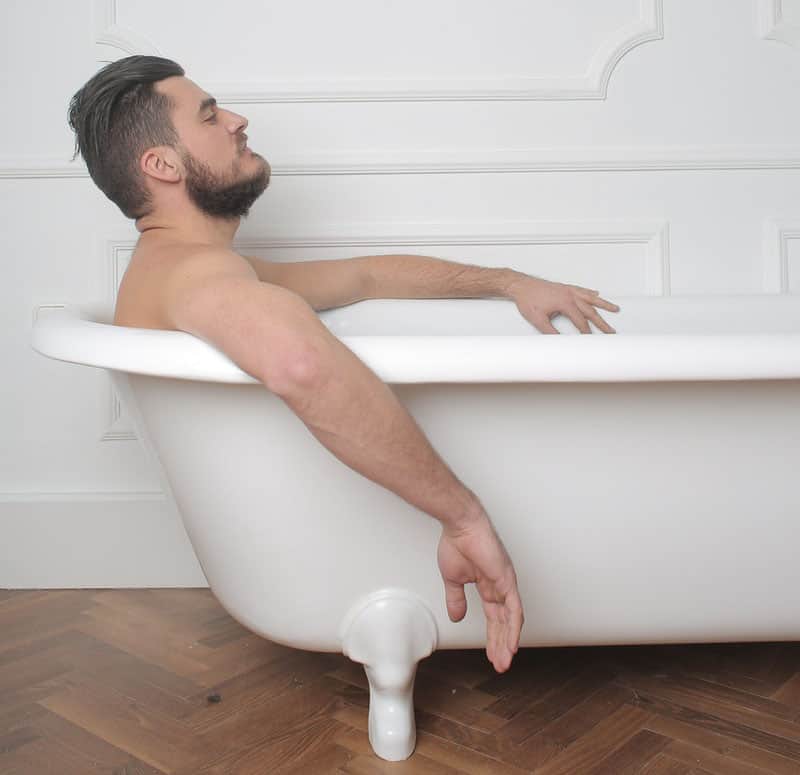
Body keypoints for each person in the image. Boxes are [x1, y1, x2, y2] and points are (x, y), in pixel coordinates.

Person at [68, 55, 620, 674]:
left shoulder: (188, 267)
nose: (237, 120)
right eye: (209, 115)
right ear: (162, 164)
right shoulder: (197, 276)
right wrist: (463, 519)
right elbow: (304, 365)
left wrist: (509, 282)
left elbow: (365, 275)